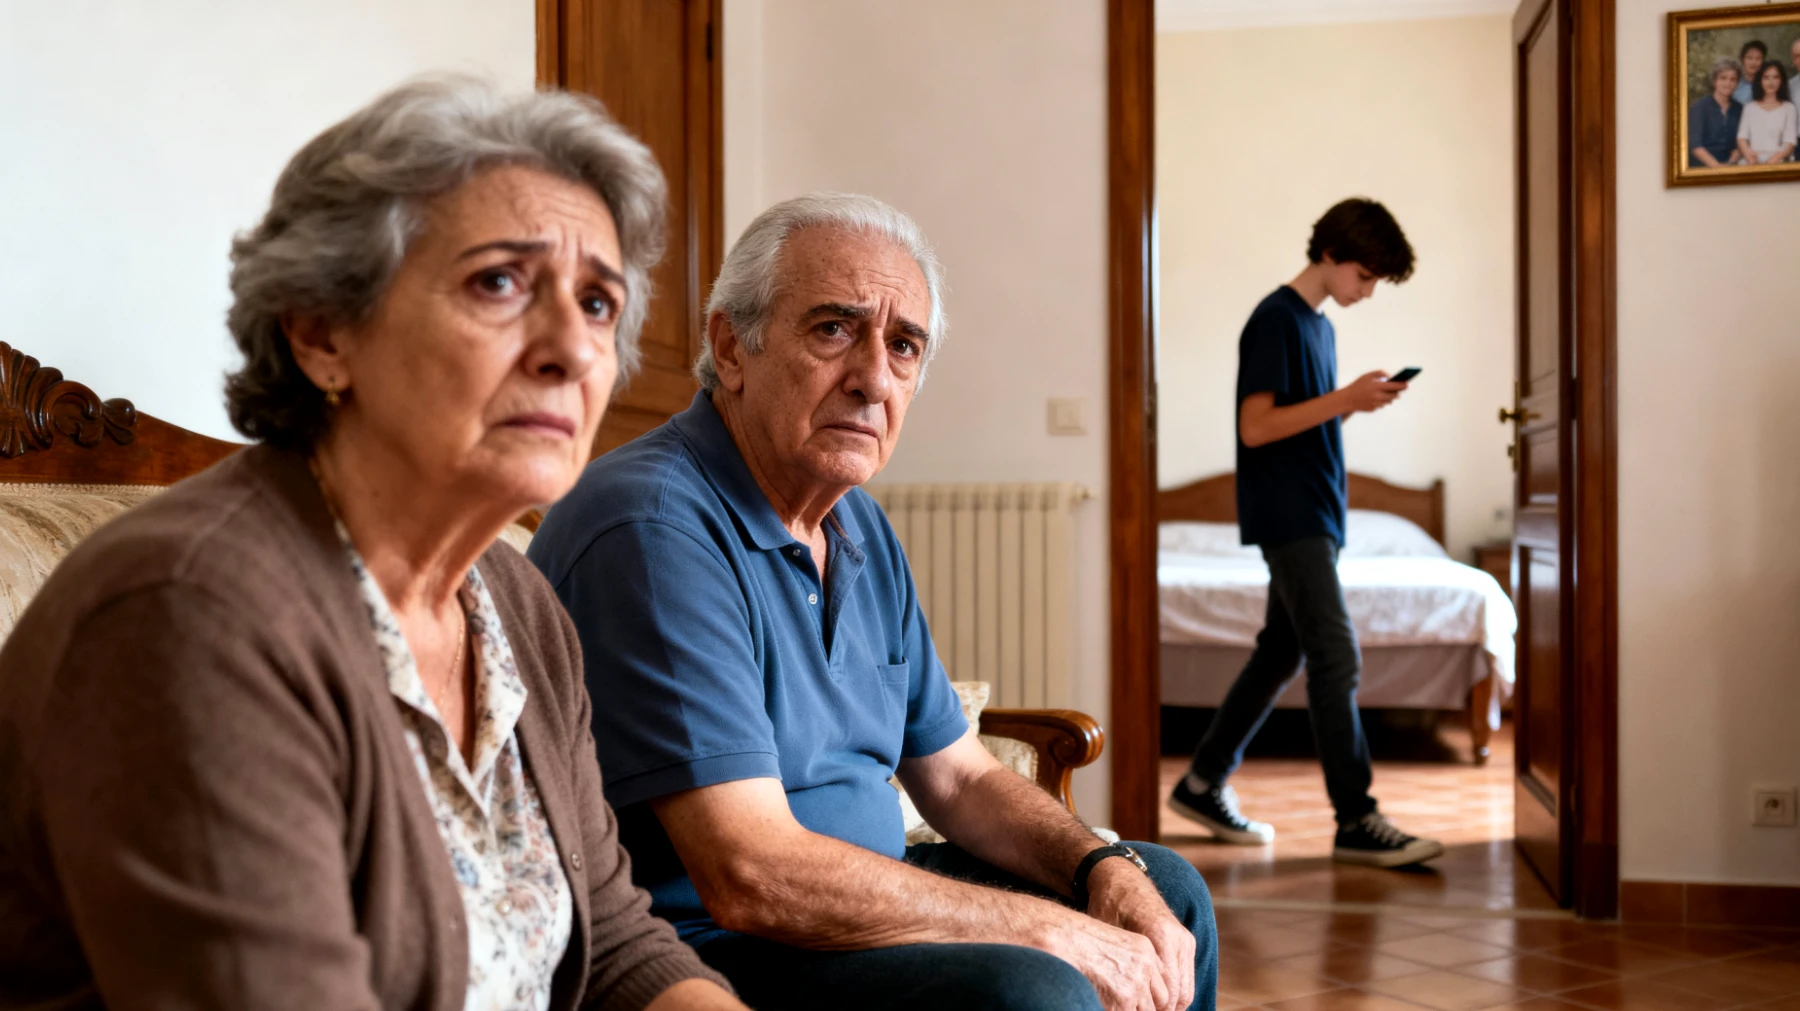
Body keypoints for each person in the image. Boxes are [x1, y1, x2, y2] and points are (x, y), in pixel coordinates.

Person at [0, 77, 746, 1011]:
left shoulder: (516, 602)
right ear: (322, 334)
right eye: (500, 282)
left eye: (599, 303)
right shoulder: (187, 614)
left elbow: (619, 943)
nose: (573, 348)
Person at [528, 193, 1218, 1011]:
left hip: (849, 903)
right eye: (832, 329)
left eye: (903, 346)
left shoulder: (854, 522)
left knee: (1164, 891)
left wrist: (1099, 868)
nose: (872, 379)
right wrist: (1043, 928)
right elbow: (749, 872)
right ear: (730, 345)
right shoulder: (651, 526)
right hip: (710, 945)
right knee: (1030, 986)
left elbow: (957, 776)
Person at [1166, 198, 1445, 870]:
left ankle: (1201, 783)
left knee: (1280, 652)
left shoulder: (1318, 328)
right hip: (1289, 514)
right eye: (1366, 277)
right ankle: (1356, 817)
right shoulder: (1275, 318)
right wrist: (1345, 398)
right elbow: (1256, 426)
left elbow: (1300, 423)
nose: (1368, 292)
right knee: (1335, 654)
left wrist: (1353, 401)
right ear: (1330, 254)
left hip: (1316, 508)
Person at [1737, 59, 1797, 165]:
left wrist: (1771, 162)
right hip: (1751, 162)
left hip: (1778, 162)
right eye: (1766, 77)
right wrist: (1750, 158)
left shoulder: (1789, 108)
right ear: (1760, 80)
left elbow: (1790, 142)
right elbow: (1742, 137)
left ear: (1781, 80)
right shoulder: (1749, 107)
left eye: (1775, 77)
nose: (1771, 82)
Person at [1691, 57, 1746, 168]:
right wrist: (1718, 168)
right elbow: (1695, 146)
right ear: (1714, 80)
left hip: (1731, 167)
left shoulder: (1739, 109)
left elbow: (1740, 143)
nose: (1728, 83)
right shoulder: (1699, 108)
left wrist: (1733, 160)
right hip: (1702, 167)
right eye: (1723, 78)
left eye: (1733, 79)